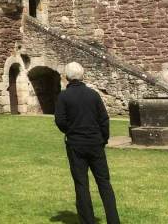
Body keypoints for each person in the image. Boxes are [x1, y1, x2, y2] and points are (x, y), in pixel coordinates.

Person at [54, 62, 120, 224]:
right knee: (104, 182)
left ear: (67, 77)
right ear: (82, 75)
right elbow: (104, 119)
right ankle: (113, 220)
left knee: (81, 183)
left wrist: (71, 131)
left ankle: (88, 221)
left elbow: (60, 120)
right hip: (95, 143)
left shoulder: (64, 96)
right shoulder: (93, 95)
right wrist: (103, 138)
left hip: (76, 144)